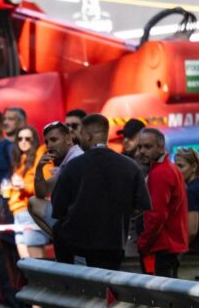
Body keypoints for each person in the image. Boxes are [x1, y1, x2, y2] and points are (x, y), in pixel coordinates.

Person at [49, 113, 150, 270]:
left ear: (88, 136)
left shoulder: (74, 166)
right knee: (107, 283)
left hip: (79, 247)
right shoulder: (130, 166)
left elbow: (58, 209)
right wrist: (117, 216)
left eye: (81, 134)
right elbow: (141, 206)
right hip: (114, 244)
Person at [8, 125, 49, 308]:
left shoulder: (41, 157)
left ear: (35, 141)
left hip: (31, 213)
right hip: (19, 213)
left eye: (28, 139)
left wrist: (23, 186)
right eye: (20, 139)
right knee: (27, 266)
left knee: (37, 267)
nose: (23, 142)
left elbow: (44, 186)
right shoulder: (21, 161)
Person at [134, 127, 187, 279]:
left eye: (148, 147)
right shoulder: (169, 168)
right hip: (169, 245)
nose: (142, 151)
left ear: (161, 147)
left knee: (158, 291)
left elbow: (157, 215)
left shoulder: (160, 173)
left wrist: (143, 243)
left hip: (161, 247)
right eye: (140, 147)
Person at [175, 147, 199, 255]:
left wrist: (178, 249)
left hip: (196, 251)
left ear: (194, 167)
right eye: (175, 166)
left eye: (181, 166)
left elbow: (191, 231)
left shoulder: (191, 191)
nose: (177, 170)